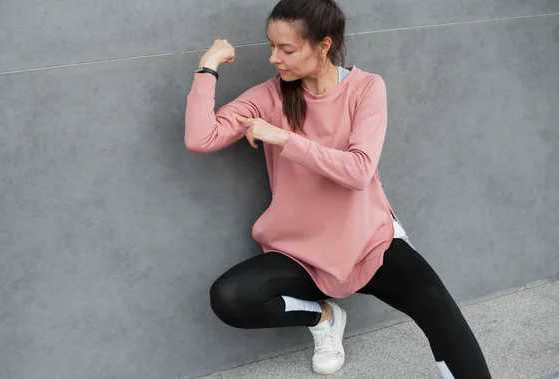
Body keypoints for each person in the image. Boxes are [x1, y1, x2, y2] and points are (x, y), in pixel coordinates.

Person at [184, 0, 491, 377]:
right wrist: (208, 67)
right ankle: (325, 317)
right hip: (301, 250)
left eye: (287, 49)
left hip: (368, 242)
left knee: (442, 315)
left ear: (323, 45)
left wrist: (282, 138)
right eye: (272, 46)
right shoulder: (269, 96)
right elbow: (201, 137)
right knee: (230, 298)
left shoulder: (366, 88)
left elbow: (359, 171)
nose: (273, 58)